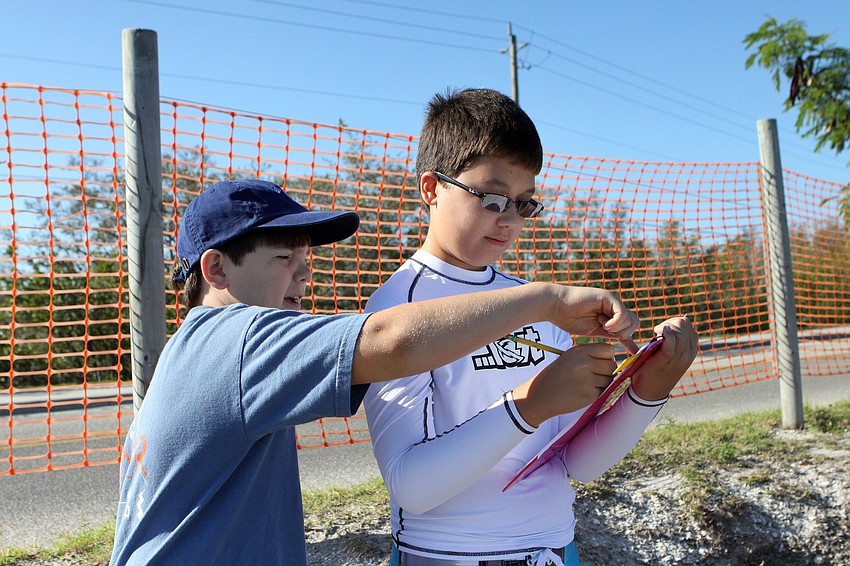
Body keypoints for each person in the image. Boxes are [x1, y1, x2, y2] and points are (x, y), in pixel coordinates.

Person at [108, 178, 642, 565]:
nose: (302, 280)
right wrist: (546, 301)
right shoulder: (237, 340)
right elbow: (391, 339)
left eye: (306, 264)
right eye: (282, 260)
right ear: (216, 267)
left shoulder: (199, 349)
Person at [362, 88, 699, 566]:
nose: (509, 220)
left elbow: (578, 464)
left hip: (557, 551)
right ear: (432, 189)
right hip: (448, 556)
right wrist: (531, 404)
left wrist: (649, 391)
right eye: (492, 198)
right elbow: (412, 487)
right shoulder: (397, 306)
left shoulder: (541, 305)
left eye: (523, 203)